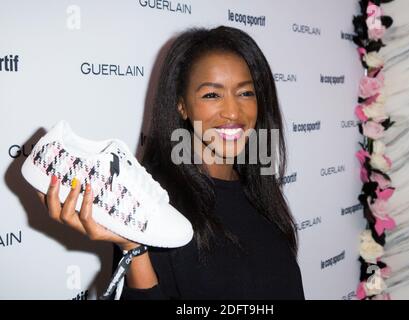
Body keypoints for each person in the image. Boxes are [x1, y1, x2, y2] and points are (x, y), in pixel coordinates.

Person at [37, 26, 304, 300]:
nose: (233, 111)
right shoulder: (153, 205)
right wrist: (133, 247)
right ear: (182, 105)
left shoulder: (259, 190)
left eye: (246, 93)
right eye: (212, 95)